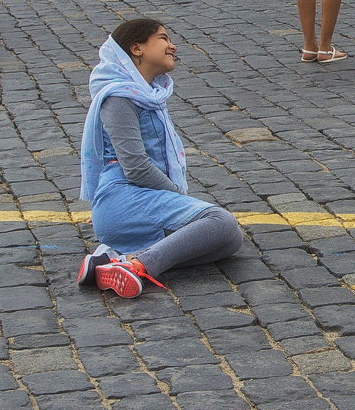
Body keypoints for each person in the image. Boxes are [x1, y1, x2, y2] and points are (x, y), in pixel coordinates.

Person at [77, 19, 243, 298]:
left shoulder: (148, 94)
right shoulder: (118, 97)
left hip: (140, 198)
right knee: (220, 222)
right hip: (123, 199)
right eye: (163, 38)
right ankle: (139, 266)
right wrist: (181, 196)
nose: (172, 46)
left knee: (229, 242)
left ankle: (111, 261)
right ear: (136, 48)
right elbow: (136, 168)